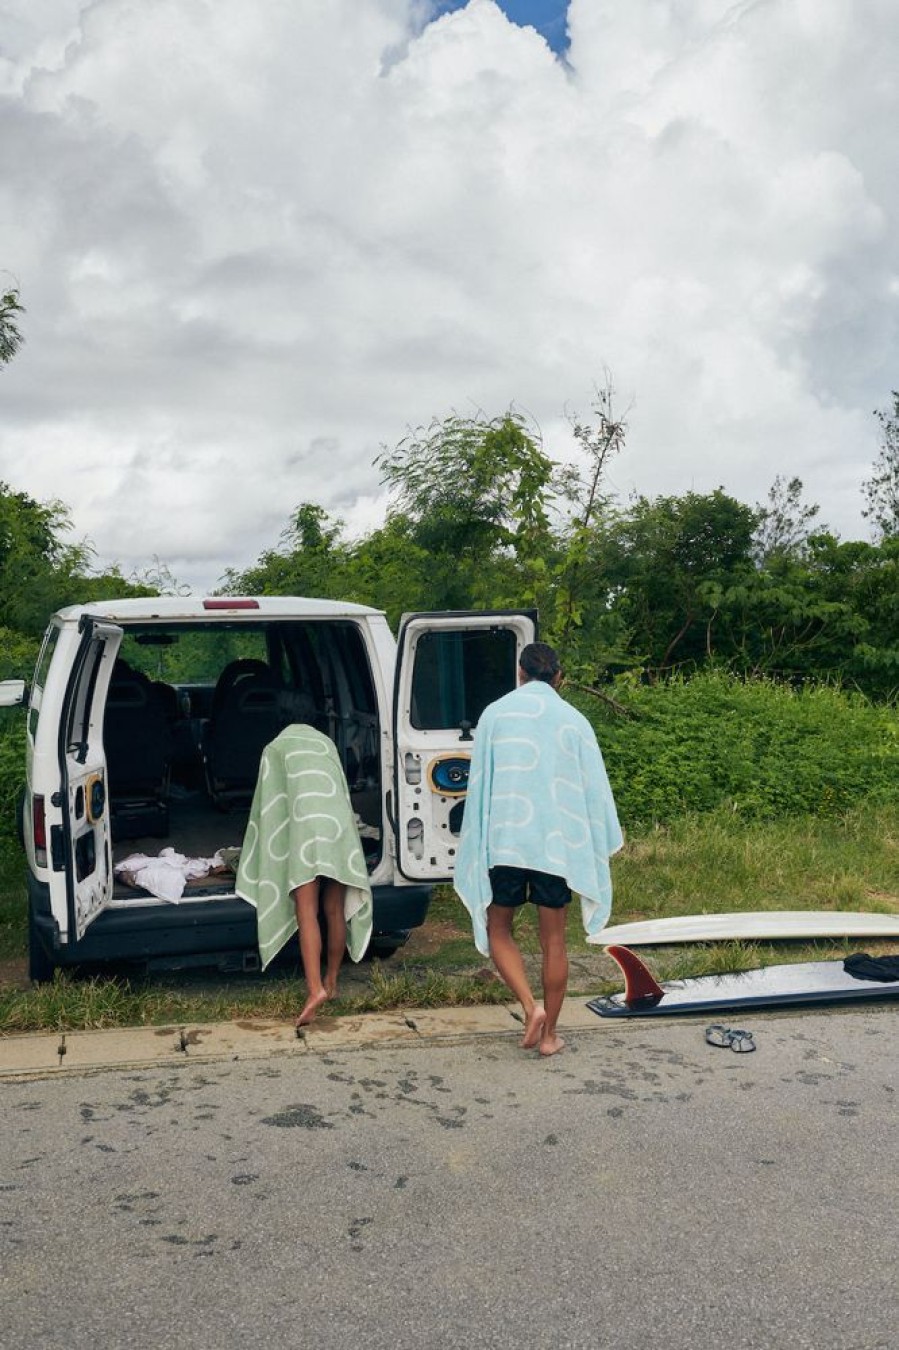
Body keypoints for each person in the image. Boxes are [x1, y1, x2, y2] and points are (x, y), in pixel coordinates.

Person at [454, 642, 623, 1056]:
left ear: (520, 673)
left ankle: (530, 1008)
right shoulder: (574, 720)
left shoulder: (495, 713)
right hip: (556, 848)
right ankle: (550, 1037)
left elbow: (481, 784)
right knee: (554, 943)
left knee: (498, 929)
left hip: (506, 842)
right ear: (559, 677)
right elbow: (594, 788)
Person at [236, 724, 373, 1026]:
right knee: (334, 909)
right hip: (336, 827)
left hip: (305, 829)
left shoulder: (276, 747)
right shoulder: (326, 744)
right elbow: (341, 791)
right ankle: (333, 981)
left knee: (306, 912)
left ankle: (315, 990)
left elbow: (269, 805)